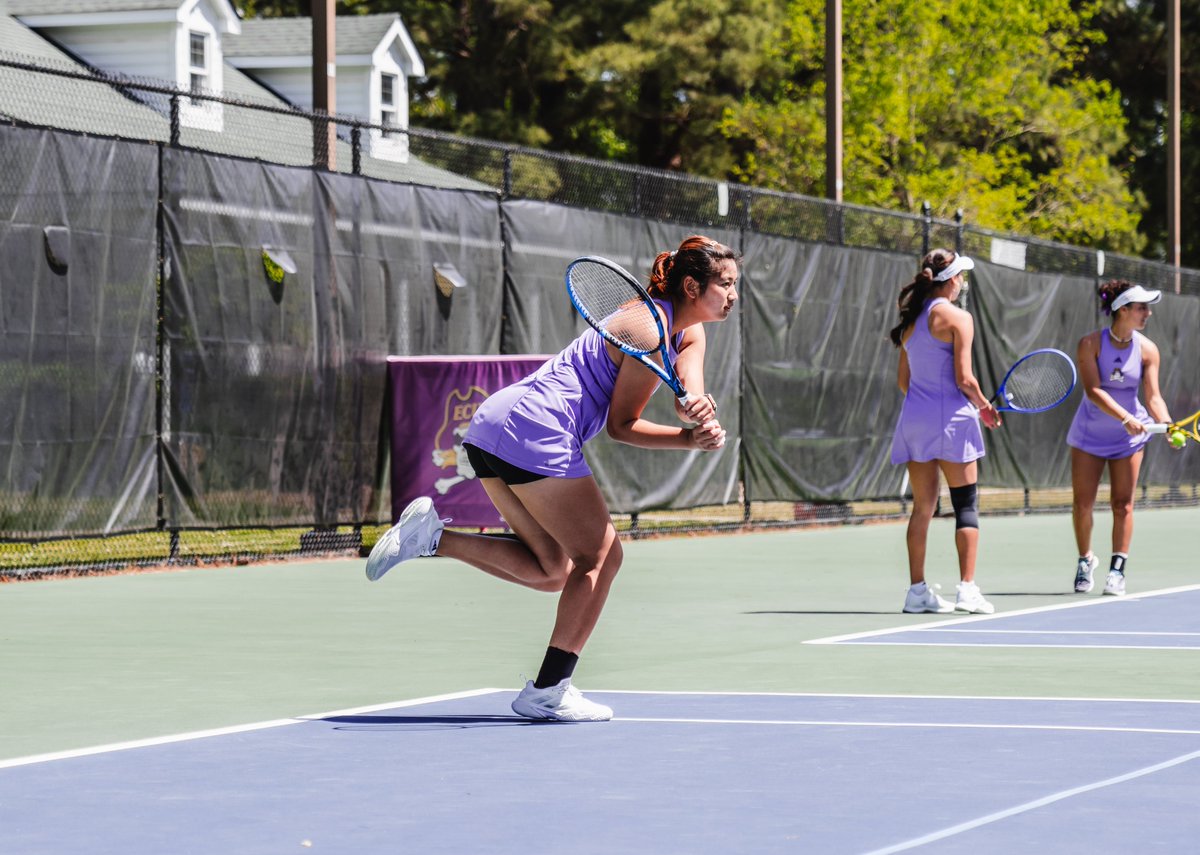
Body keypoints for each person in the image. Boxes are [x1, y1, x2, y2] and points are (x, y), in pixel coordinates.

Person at [365, 235, 739, 721]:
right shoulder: (646, 328)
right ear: (692, 286)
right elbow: (621, 426)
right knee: (601, 556)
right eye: (726, 285)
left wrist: (696, 405)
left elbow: (688, 382)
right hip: (536, 428)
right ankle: (547, 690)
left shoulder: (689, 331)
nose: (733, 296)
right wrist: (687, 440)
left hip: (494, 427)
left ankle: (433, 538)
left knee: (552, 570)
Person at [889, 249, 1002, 615]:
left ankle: (917, 592)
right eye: (961, 277)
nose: (962, 283)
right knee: (965, 505)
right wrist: (985, 407)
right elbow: (964, 378)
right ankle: (967, 590)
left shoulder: (908, 323)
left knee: (923, 507)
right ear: (951, 280)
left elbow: (903, 382)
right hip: (954, 422)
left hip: (915, 421)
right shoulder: (959, 318)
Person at [1066, 280, 1174, 597]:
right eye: (1141, 308)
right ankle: (1086, 559)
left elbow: (1153, 397)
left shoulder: (1148, 350)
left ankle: (1117, 570)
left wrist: (1166, 423)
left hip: (1129, 439)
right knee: (1082, 504)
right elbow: (1093, 391)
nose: (1147, 313)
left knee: (1122, 504)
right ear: (1122, 310)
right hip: (1089, 434)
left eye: (1147, 308)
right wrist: (1124, 417)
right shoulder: (1090, 344)